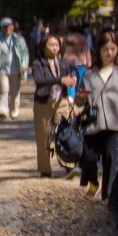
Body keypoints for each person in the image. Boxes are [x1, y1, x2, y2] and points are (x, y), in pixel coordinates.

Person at [78, 28, 118, 201]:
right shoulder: (89, 73)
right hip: (93, 124)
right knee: (87, 158)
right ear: (99, 51)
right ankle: (93, 181)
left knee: (112, 163)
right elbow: (80, 102)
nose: (109, 53)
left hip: (116, 124)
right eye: (105, 49)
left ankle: (108, 199)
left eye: (113, 49)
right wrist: (80, 99)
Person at [30, 33, 75, 177]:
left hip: (61, 100)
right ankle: (45, 169)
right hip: (43, 101)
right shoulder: (38, 63)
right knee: (44, 135)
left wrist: (71, 84)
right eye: (51, 45)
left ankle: (69, 165)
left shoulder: (64, 63)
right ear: (43, 47)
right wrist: (59, 80)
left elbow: (68, 79)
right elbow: (39, 80)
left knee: (66, 132)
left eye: (57, 45)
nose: (55, 48)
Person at [0, 17, 30, 120]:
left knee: (15, 90)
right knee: (4, 89)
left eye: (9, 26)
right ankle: (3, 111)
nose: (7, 29)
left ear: (13, 27)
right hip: (2, 69)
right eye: (5, 27)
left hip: (16, 69)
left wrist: (24, 65)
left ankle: (14, 111)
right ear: (2, 28)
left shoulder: (19, 39)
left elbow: (24, 54)